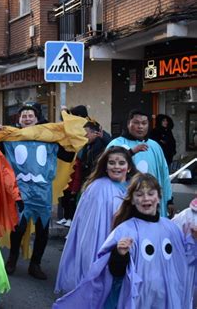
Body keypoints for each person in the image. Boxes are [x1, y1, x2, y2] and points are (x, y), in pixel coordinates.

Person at [53, 173, 196, 308]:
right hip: (139, 301)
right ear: (133, 200)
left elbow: (184, 262)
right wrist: (119, 254)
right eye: (139, 195)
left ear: (159, 197)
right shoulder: (125, 230)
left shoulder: (171, 228)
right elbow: (112, 273)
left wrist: (194, 241)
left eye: (151, 194)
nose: (146, 198)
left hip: (167, 300)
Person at [0, 106, 87, 280]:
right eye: (24, 115)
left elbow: (68, 155)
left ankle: (36, 264)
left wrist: (67, 128)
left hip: (42, 191)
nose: (27, 118)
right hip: (20, 190)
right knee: (19, 228)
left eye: (30, 115)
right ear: (19, 119)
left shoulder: (50, 139)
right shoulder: (11, 138)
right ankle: (12, 259)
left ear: (36, 119)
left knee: (42, 230)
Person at [55, 146, 137, 293]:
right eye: (111, 163)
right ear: (105, 167)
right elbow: (89, 231)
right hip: (102, 246)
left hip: (127, 247)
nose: (116, 167)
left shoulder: (135, 188)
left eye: (121, 163)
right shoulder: (97, 188)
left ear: (129, 167)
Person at [107, 109, 174, 217]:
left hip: (151, 204)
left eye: (144, 123)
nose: (140, 126)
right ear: (129, 123)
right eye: (136, 123)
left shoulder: (154, 146)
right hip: (124, 203)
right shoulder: (116, 144)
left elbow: (164, 174)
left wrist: (169, 199)